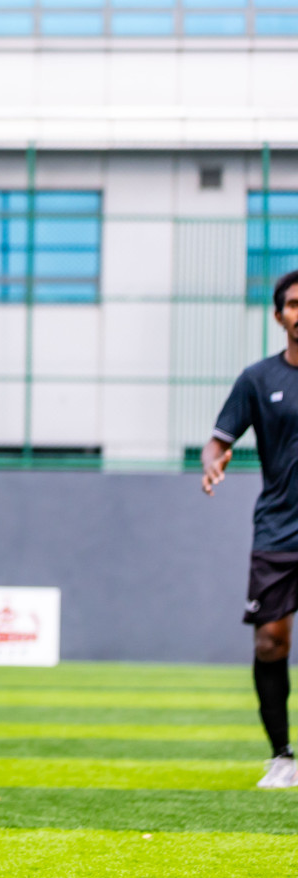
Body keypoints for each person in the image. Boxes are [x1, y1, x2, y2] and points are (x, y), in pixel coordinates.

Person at [201, 267, 298, 789]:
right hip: (280, 531)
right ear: (280, 314)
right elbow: (218, 438)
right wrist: (212, 460)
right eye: (294, 304)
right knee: (270, 643)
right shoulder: (259, 379)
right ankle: (282, 757)